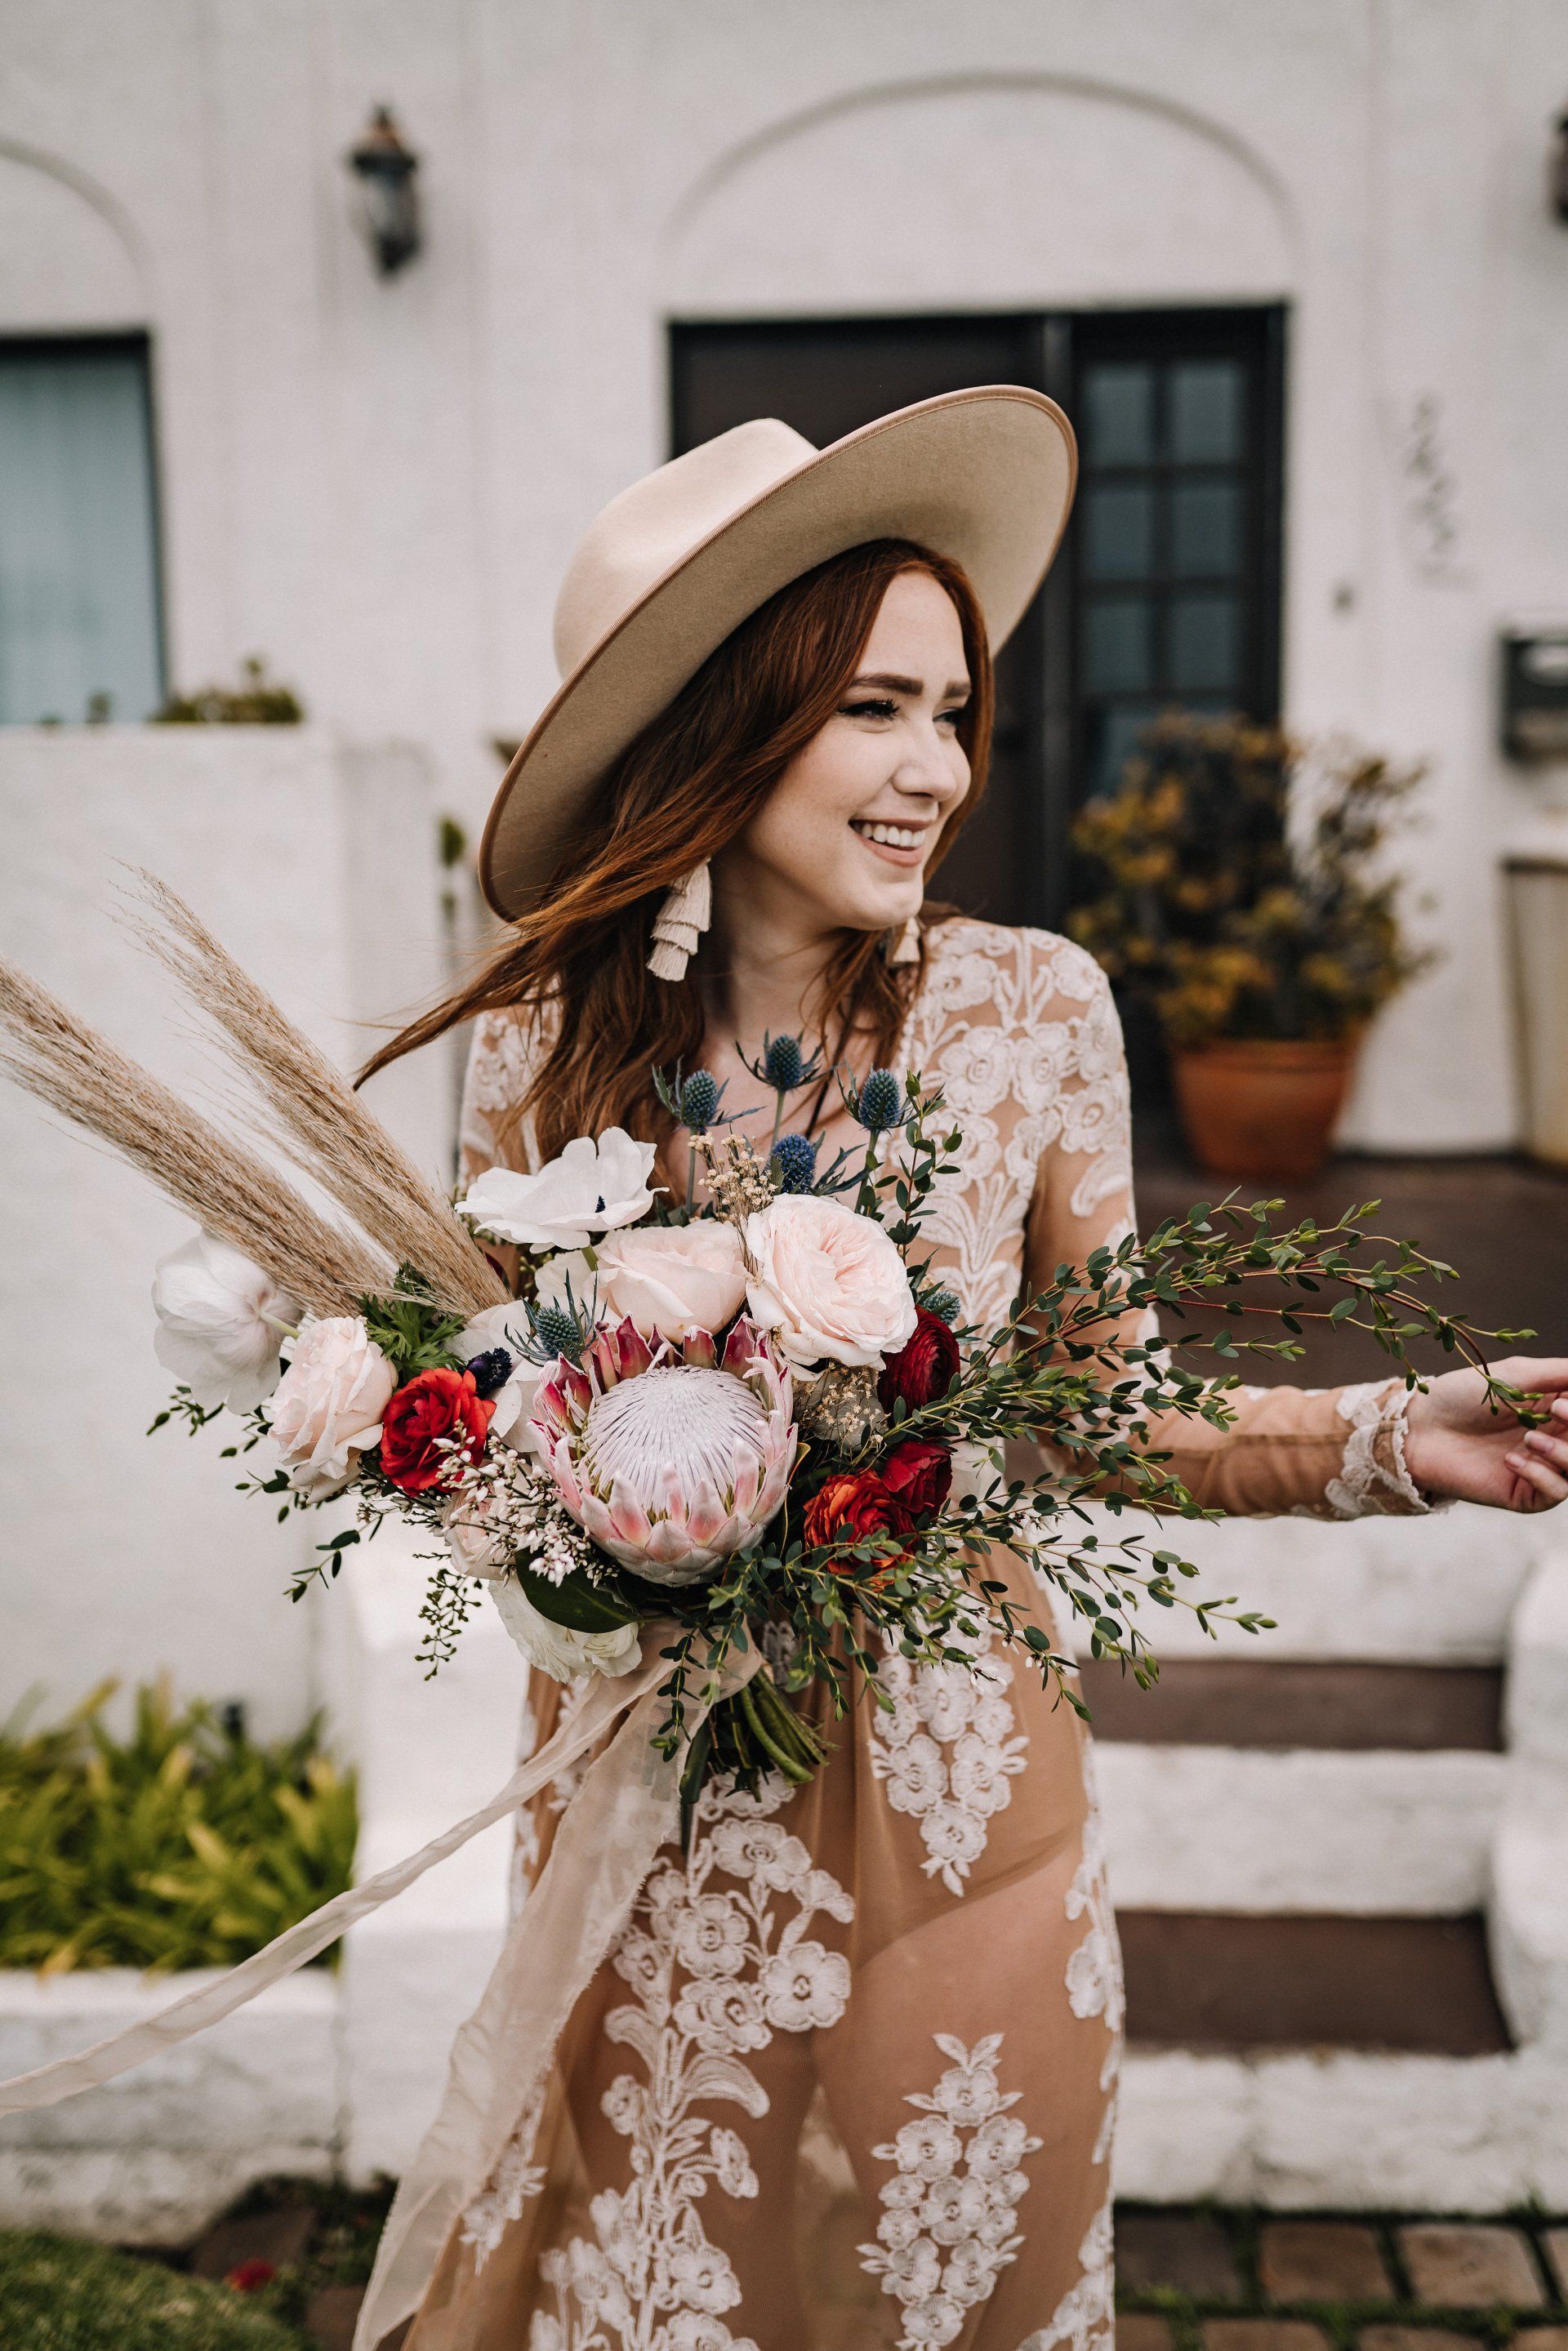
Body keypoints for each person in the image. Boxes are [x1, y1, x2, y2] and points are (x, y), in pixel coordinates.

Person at [364, 393, 1568, 2351]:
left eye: (951, 711)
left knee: (961, 2289)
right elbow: (482, 1421)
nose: (937, 767)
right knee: (655, 2295)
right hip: (650, 1804)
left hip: (959, 1782)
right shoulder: (542, 1054)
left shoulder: (1034, 1009)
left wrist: (1382, 1434)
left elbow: (1102, 1410)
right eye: (874, 711)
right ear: (725, 727)